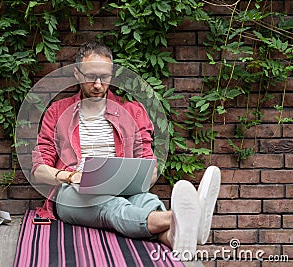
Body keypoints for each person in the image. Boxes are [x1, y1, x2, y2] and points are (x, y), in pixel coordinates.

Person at [31, 42, 221, 261]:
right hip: (73, 193)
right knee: (111, 205)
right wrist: (72, 177)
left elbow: (148, 165)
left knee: (146, 200)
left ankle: (175, 235)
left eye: (105, 77)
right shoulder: (58, 112)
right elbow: (39, 169)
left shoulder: (132, 111)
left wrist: (139, 177)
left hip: (123, 187)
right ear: (77, 74)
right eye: (91, 76)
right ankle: (185, 217)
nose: (98, 84)